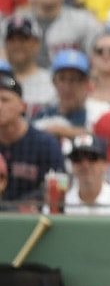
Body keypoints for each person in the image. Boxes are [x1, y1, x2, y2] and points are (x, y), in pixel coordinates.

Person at [0, 71, 65, 202]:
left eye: (5, 100)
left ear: (22, 106)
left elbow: (61, 186)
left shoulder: (45, 144)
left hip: (34, 219)